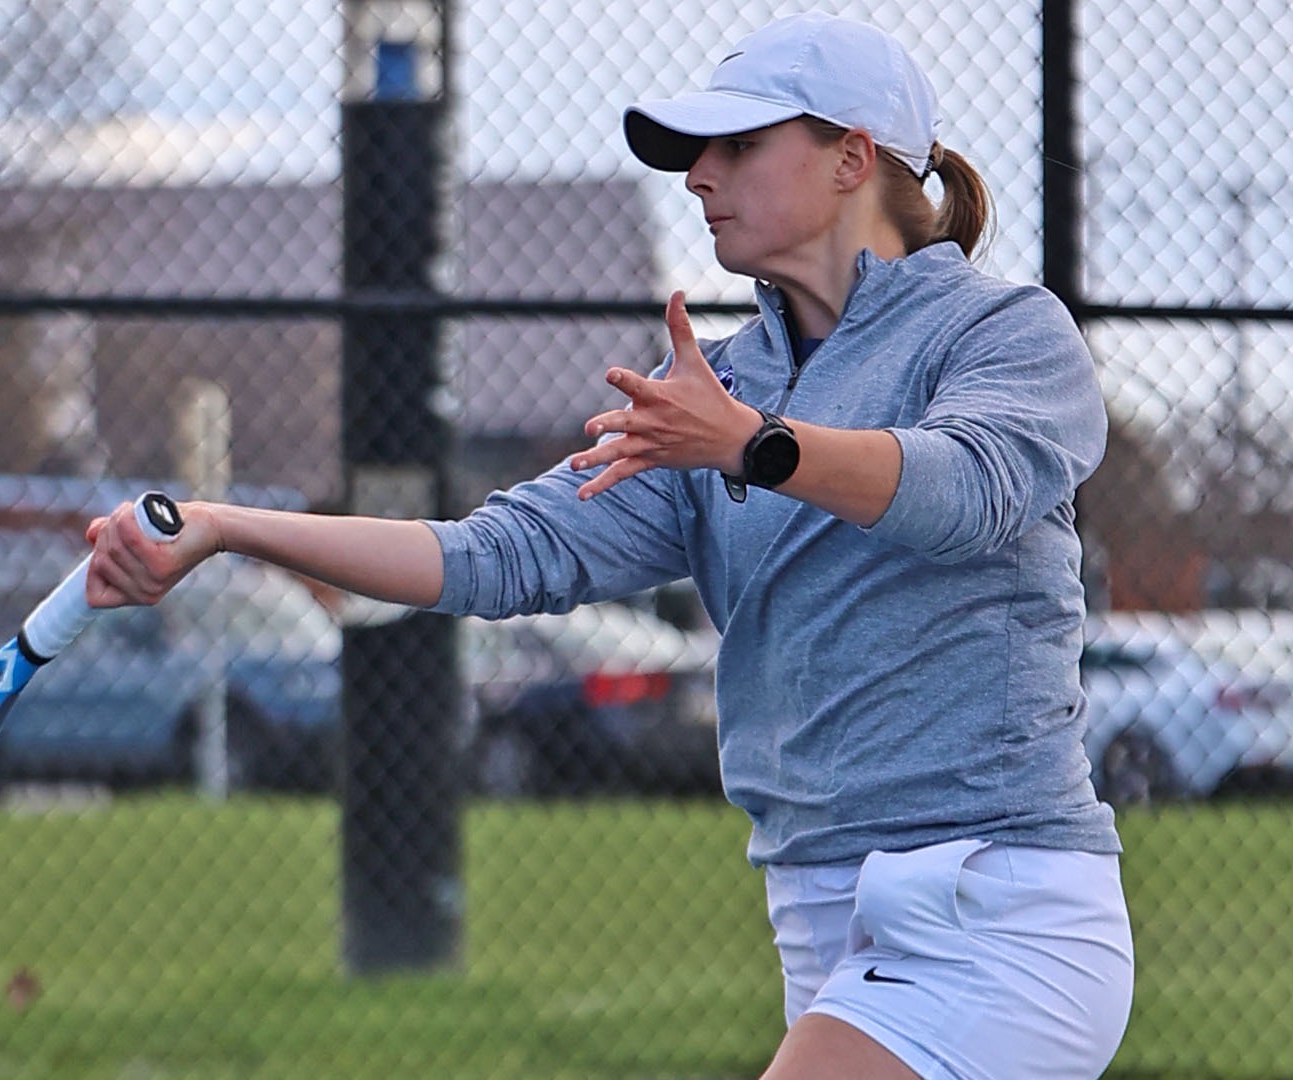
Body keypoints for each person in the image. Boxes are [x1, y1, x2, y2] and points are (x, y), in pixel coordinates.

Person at [85, 11, 1132, 1079]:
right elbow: (493, 553)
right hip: (818, 912)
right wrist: (223, 528)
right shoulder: (713, 391)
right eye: (694, 154)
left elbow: (966, 488)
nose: (697, 178)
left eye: (736, 147)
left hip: (991, 904)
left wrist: (750, 446)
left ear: (851, 158)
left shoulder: (1001, 335)